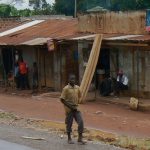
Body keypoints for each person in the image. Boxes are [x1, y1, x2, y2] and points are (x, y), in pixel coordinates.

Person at [60, 74, 86, 145]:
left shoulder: (77, 88)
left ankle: (80, 138)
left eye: (74, 79)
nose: (73, 80)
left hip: (76, 109)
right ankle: (69, 138)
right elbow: (62, 99)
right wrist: (71, 106)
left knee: (81, 122)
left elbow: (80, 96)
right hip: (69, 109)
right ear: (69, 80)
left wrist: (77, 104)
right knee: (69, 124)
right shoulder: (66, 89)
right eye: (71, 79)